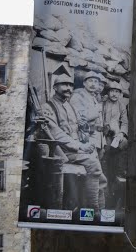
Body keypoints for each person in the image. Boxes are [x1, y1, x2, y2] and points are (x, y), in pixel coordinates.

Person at [41, 74, 106, 214]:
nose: (68, 88)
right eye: (64, 85)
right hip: (61, 151)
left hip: (75, 148)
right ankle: (93, 210)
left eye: (70, 85)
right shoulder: (48, 107)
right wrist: (80, 146)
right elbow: (57, 134)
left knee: (99, 172)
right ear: (55, 87)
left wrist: (86, 138)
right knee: (94, 165)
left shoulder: (69, 106)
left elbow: (80, 128)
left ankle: (99, 210)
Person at [102, 80, 128, 206]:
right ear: (108, 92)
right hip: (104, 134)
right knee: (104, 157)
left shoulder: (121, 105)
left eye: (117, 92)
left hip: (116, 136)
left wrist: (122, 133)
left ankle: (118, 174)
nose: (114, 94)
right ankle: (105, 183)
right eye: (112, 91)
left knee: (123, 146)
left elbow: (124, 122)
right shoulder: (103, 103)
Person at [71, 71, 104, 152]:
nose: (93, 84)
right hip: (84, 136)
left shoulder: (94, 97)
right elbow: (79, 117)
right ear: (84, 83)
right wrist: (97, 111)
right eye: (90, 81)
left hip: (95, 137)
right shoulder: (78, 96)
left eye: (96, 82)